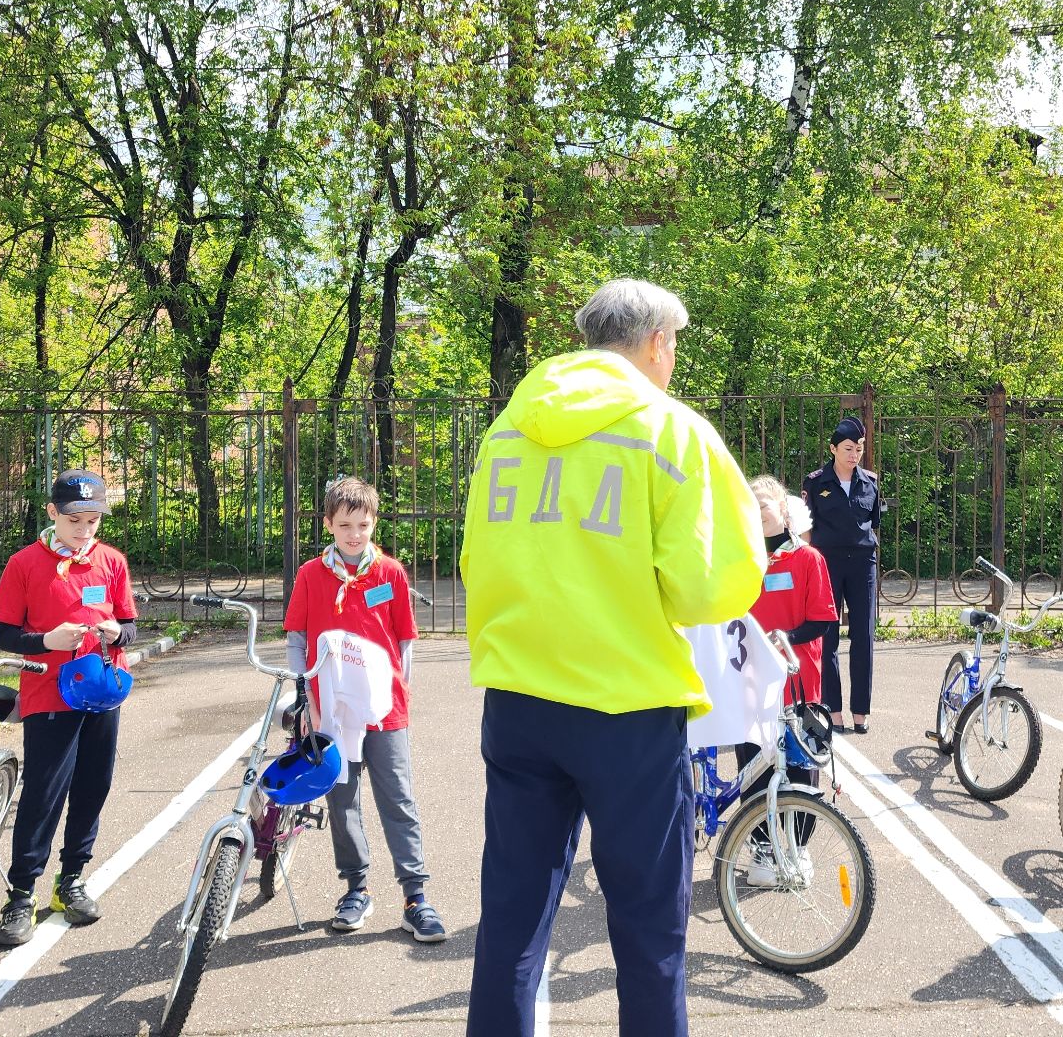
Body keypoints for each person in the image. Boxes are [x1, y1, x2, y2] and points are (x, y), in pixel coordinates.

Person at [461, 278, 765, 1037]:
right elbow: (713, 587)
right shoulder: (669, 430)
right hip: (627, 706)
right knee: (648, 930)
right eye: (676, 346)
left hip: (520, 700)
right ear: (657, 342)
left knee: (511, 921)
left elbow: (476, 559)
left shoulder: (508, 428)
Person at [284, 475, 445, 942]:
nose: (355, 534)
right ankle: (356, 888)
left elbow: (404, 640)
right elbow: (297, 638)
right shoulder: (311, 575)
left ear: (374, 524)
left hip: (384, 710)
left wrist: (401, 692)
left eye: (363, 525)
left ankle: (416, 897)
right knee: (342, 798)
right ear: (329, 525)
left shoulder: (389, 572)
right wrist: (305, 694)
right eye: (345, 525)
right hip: (332, 712)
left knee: (398, 798)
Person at [0, 468, 138, 946]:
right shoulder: (24, 564)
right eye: (75, 518)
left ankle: (71, 879)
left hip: (101, 693)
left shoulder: (111, 562)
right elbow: (5, 635)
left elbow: (131, 624)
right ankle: (21, 893)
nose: (84, 528)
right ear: (53, 513)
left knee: (94, 786)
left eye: (93, 520)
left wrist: (118, 632)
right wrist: (45, 641)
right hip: (48, 693)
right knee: (43, 794)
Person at [735, 478, 838, 876]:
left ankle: (798, 847)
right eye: (751, 504)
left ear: (784, 509)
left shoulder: (808, 558)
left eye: (765, 503)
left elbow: (822, 620)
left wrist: (785, 641)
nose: (758, 511)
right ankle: (762, 849)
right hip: (749, 677)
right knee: (754, 762)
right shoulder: (741, 561)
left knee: (798, 764)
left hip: (796, 678)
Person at [801, 417, 881, 733]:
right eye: (848, 448)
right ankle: (833, 711)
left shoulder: (870, 482)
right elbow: (806, 528)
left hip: (862, 565)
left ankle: (860, 711)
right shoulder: (815, 482)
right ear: (833, 448)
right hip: (827, 564)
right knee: (828, 636)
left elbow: (872, 523)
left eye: (859, 449)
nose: (854, 455)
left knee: (863, 636)